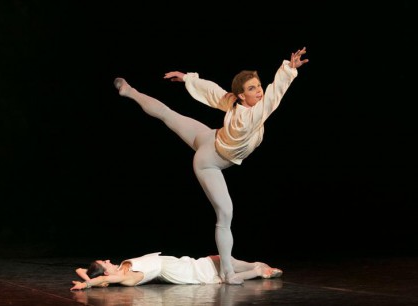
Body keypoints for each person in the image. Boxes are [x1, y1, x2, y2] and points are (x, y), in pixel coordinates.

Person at [112, 47, 308, 285]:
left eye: (258, 86)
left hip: (209, 139)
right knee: (225, 214)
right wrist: (288, 69)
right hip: (208, 162)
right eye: (252, 88)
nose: (259, 91)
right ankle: (227, 272)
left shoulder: (234, 103)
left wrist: (187, 78)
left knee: (168, 114)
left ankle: (129, 91)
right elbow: (274, 95)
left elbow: (214, 93)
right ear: (241, 96)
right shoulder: (251, 115)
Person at [70, 252, 283, 290]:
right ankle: (258, 270)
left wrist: (86, 275)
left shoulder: (120, 270)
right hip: (184, 272)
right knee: (225, 274)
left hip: (184, 264)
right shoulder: (122, 276)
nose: (108, 260)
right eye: (104, 262)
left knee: (227, 261)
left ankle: (259, 267)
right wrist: (87, 283)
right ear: (107, 274)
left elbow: (80, 268)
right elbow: (95, 280)